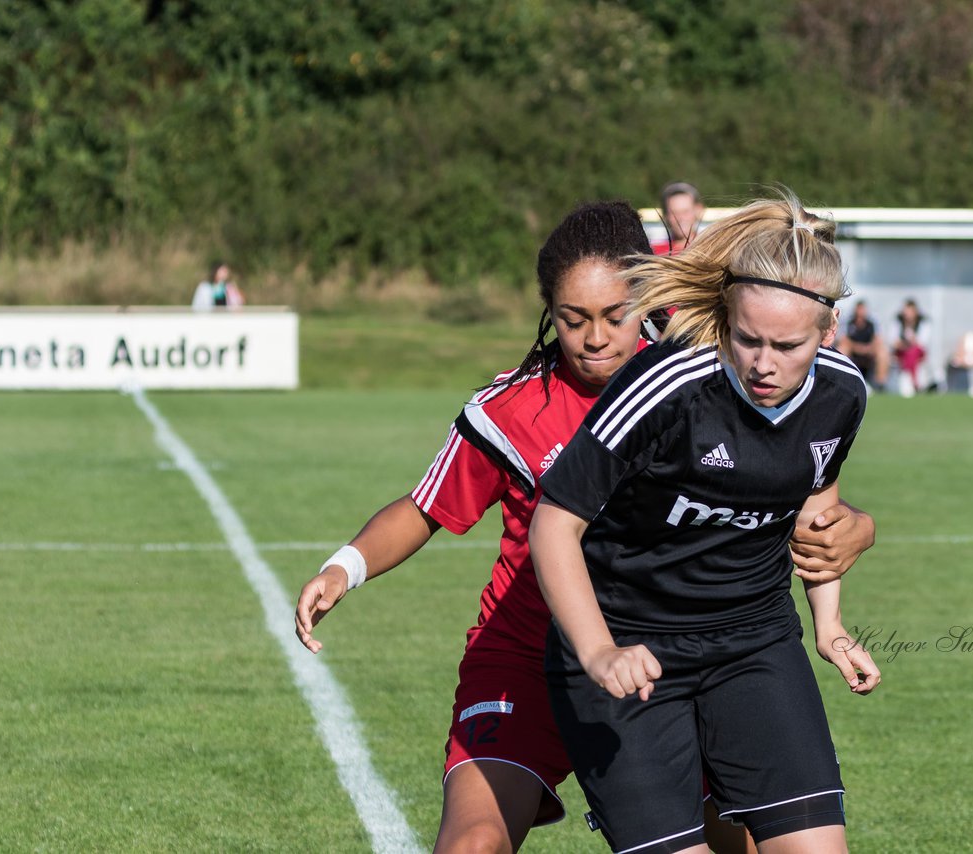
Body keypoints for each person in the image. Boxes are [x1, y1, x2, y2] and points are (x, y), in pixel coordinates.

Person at [294, 201, 877, 853]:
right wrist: (344, 566)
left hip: (665, 650)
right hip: (527, 657)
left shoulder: (712, 375)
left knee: (736, 840)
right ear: (549, 312)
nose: (595, 337)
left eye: (613, 316)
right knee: (471, 845)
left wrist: (856, 530)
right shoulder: (513, 409)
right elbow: (426, 507)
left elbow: (800, 488)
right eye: (573, 320)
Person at [530, 192, 881, 854]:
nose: (764, 363)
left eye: (788, 345)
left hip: (753, 643)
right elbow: (553, 524)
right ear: (724, 318)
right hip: (632, 651)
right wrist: (599, 649)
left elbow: (817, 509)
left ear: (829, 330)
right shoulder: (664, 387)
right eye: (746, 339)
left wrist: (829, 626)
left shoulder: (842, 393)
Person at [837, 300, 889, 392]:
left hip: (869, 351)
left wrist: (868, 348)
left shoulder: (872, 323)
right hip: (853, 350)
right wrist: (857, 348)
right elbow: (843, 339)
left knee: (883, 352)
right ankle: (841, 381)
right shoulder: (849, 322)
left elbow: (878, 339)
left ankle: (881, 385)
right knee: (842, 349)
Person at [652, 181, 706, 255]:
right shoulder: (653, 254)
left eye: (685, 211)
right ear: (665, 215)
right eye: (674, 213)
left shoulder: (711, 249)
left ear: (699, 210)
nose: (681, 218)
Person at [892, 298, 929, 397]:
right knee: (908, 353)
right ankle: (912, 382)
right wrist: (905, 345)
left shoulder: (923, 323)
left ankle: (913, 382)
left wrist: (911, 341)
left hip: (916, 354)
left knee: (912, 352)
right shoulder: (898, 323)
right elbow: (893, 342)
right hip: (901, 353)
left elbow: (922, 343)